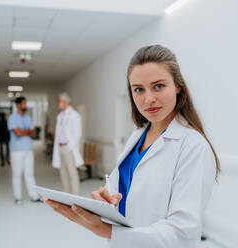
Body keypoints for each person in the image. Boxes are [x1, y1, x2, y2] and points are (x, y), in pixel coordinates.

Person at [42, 45, 220, 247]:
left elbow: (181, 234)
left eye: (159, 86)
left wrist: (105, 230)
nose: (148, 99)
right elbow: (125, 192)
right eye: (139, 89)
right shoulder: (137, 136)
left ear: (177, 85)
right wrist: (105, 199)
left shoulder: (193, 147)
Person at [8, 96, 41, 205]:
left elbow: (33, 133)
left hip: (28, 150)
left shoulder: (28, 118)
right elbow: (17, 133)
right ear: (18, 105)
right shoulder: (12, 118)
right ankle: (18, 197)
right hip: (16, 151)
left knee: (29, 173)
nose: (26, 106)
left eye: (26, 103)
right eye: (24, 104)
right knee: (17, 174)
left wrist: (24, 131)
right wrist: (27, 131)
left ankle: (34, 196)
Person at [52, 93, 84, 195]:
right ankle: (66, 195)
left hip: (68, 148)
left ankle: (75, 197)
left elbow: (78, 133)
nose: (58, 103)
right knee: (63, 173)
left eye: (59, 101)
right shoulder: (60, 115)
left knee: (72, 173)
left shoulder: (74, 115)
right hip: (60, 147)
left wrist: (69, 147)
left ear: (65, 102)